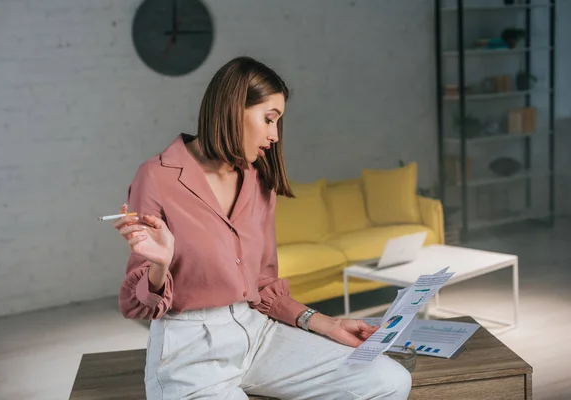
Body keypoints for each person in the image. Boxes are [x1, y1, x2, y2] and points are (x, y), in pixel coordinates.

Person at [113, 56, 412, 400]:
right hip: (189, 350)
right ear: (232, 107)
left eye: (278, 123)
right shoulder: (156, 176)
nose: (273, 135)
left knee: (387, 380)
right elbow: (135, 306)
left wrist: (326, 323)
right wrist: (160, 264)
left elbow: (264, 285)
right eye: (269, 119)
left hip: (257, 335)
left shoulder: (258, 179)